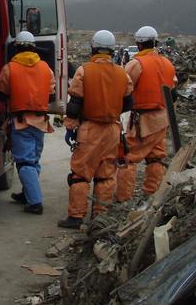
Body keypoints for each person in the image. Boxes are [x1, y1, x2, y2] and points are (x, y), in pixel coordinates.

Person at [57, 30, 133, 229]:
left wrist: (70, 127)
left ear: (93, 47)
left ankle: (76, 217)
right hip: (112, 130)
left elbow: (75, 104)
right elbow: (128, 103)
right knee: (106, 175)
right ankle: (100, 216)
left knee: (80, 174)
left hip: (90, 128)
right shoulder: (122, 73)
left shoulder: (84, 71)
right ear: (111, 49)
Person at [0, 31, 55, 214]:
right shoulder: (46, 68)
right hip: (40, 122)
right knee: (33, 160)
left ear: (17, 47)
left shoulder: (10, 68)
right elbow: (51, 95)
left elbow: (1, 94)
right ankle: (27, 193)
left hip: (21, 122)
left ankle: (35, 202)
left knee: (25, 162)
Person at [116, 25, 177, 202]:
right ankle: (152, 194)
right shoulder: (167, 63)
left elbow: (123, 88)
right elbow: (172, 91)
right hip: (163, 117)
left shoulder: (136, 64)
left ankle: (123, 198)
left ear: (139, 44)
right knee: (155, 158)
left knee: (129, 157)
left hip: (143, 119)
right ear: (155, 42)